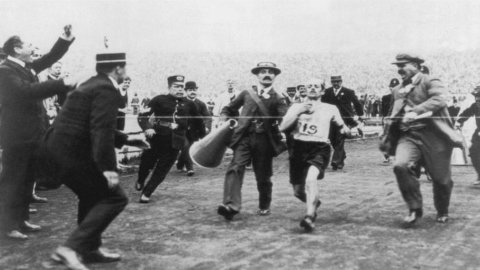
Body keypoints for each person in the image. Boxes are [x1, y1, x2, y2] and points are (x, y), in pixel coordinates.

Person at [47, 52, 148, 270]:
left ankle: (89, 249)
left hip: (59, 150)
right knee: (115, 197)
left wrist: (128, 138)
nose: (125, 72)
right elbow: (100, 129)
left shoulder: (91, 84)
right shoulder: (107, 89)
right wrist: (108, 169)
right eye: (125, 68)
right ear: (118, 69)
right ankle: (70, 248)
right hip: (72, 153)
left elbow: (89, 124)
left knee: (91, 194)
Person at [0, 25, 75, 240]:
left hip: (32, 135)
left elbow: (51, 57)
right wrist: (62, 83)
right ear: (16, 49)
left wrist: (64, 39)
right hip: (17, 137)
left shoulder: (25, 66)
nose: (34, 49)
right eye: (29, 45)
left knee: (26, 179)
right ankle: (7, 226)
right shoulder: (5, 71)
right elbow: (25, 92)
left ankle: (21, 220)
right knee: (12, 181)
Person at [389, 53, 460, 225]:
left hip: (434, 136)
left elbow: (440, 99)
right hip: (408, 136)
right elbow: (394, 112)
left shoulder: (430, 81)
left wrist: (416, 111)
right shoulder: (397, 90)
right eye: (397, 66)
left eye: (403, 65)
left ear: (415, 65)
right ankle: (415, 208)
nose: (399, 69)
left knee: (441, 179)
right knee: (400, 165)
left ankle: (442, 209)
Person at [217, 62, 288, 220]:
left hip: (264, 140)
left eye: (271, 72)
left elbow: (286, 117)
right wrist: (224, 119)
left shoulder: (279, 98)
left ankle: (264, 204)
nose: (267, 74)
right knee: (235, 167)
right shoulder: (247, 93)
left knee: (263, 176)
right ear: (257, 75)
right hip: (244, 138)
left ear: (275, 76)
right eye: (263, 72)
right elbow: (229, 108)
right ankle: (230, 205)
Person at [280, 79, 349, 231]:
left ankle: (310, 216)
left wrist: (346, 129)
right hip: (298, 148)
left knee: (311, 179)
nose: (312, 88)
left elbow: (342, 125)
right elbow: (283, 127)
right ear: (304, 89)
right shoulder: (296, 107)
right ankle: (313, 201)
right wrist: (299, 112)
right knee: (298, 191)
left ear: (323, 91)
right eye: (309, 86)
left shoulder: (330, 108)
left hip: (319, 147)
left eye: (316, 86)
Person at [135, 75, 202, 203]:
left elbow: (198, 121)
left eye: (182, 87)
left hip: (176, 141)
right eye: (176, 87)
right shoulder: (158, 100)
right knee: (146, 163)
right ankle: (141, 179)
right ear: (169, 87)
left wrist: (202, 136)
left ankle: (147, 192)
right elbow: (142, 116)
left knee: (163, 169)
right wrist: (147, 128)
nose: (180, 89)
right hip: (156, 139)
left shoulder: (189, 104)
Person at [321, 75, 364, 170]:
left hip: (345, 119)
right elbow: (323, 105)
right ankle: (342, 155)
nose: (336, 84)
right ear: (331, 82)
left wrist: (360, 115)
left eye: (337, 82)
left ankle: (336, 161)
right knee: (332, 139)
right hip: (331, 120)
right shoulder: (327, 92)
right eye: (334, 82)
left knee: (340, 139)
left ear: (341, 82)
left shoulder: (348, 92)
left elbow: (357, 103)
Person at [176, 81, 210, 176]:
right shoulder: (180, 102)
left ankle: (180, 164)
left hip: (195, 131)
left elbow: (207, 117)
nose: (192, 92)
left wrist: (206, 126)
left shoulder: (201, 104)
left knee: (188, 147)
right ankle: (190, 168)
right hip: (182, 130)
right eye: (190, 90)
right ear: (186, 91)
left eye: (194, 90)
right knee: (186, 146)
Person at [456, 86, 480, 185]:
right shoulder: (475, 105)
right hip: (478, 133)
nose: (478, 99)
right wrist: (459, 121)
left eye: (479, 96)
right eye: (476, 97)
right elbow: (466, 113)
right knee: (474, 152)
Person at [380, 78, 400, 163]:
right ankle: (388, 156)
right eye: (391, 87)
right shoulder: (386, 98)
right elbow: (385, 110)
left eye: (394, 87)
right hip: (388, 120)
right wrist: (384, 119)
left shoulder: (402, 97)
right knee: (383, 137)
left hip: (398, 121)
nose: (392, 88)